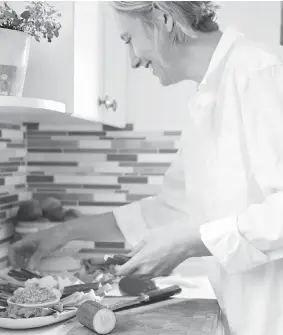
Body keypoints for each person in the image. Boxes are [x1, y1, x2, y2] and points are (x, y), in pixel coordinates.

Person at [8, 1, 283, 334]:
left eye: (128, 39)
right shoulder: (207, 98)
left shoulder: (257, 73)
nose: (133, 59)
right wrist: (63, 233)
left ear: (163, 18)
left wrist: (191, 242)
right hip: (241, 317)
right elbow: (169, 209)